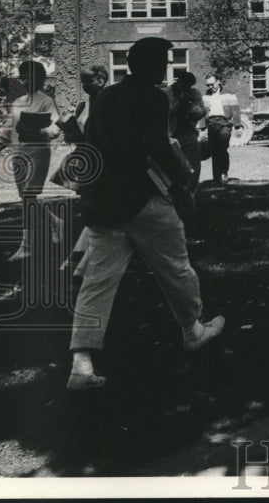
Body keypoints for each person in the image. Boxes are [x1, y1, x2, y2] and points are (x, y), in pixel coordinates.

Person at [67, 37, 224, 390]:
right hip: (142, 198)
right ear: (149, 64)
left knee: (97, 281)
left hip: (103, 201)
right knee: (175, 267)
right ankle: (192, 329)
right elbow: (156, 144)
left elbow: (89, 141)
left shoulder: (104, 96)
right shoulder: (153, 96)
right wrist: (183, 179)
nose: (165, 68)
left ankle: (82, 363)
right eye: (163, 61)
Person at [0, 60, 63, 262]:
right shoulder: (17, 102)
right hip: (18, 156)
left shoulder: (46, 101)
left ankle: (27, 245)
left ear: (41, 78)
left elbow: (55, 129)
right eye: (23, 76)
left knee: (29, 197)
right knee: (27, 199)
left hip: (38, 154)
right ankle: (56, 223)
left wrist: (36, 131)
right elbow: (7, 132)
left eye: (30, 76)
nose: (25, 80)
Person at [59, 64, 109, 273]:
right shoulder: (85, 104)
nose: (85, 85)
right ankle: (82, 259)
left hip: (103, 162)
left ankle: (82, 261)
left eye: (88, 80)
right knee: (91, 209)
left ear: (101, 80)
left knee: (97, 209)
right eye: (83, 82)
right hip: (87, 159)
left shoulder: (108, 102)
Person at [167, 71, 207, 232]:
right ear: (178, 82)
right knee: (173, 173)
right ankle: (175, 209)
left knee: (193, 170)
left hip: (188, 134)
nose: (186, 87)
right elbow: (166, 112)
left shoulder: (194, 93)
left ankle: (190, 204)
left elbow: (200, 112)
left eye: (189, 85)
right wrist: (179, 104)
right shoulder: (167, 93)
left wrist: (189, 104)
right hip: (171, 135)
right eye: (183, 84)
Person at [202, 76, 242, 183]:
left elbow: (235, 110)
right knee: (213, 150)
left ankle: (224, 173)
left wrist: (237, 127)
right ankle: (216, 176)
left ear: (218, 82)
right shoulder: (206, 95)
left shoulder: (229, 93)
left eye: (212, 84)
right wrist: (202, 128)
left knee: (222, 148)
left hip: (225, 123)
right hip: (212, 123)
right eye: (208, 85)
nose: (210, 86)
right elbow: (203, 112)